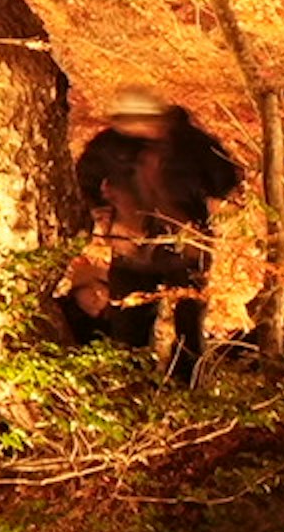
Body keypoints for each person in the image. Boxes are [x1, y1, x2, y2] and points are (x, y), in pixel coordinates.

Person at [69, 88, 242, 381]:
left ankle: (184, 387)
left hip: (187, 247)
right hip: (131, 249)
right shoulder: (108, 146)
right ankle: (130, 387)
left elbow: (225, 178)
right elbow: (82, 180)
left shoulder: (192, 144)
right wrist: (99, 210)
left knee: (189, 324)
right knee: (127, 324)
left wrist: (212, 204)